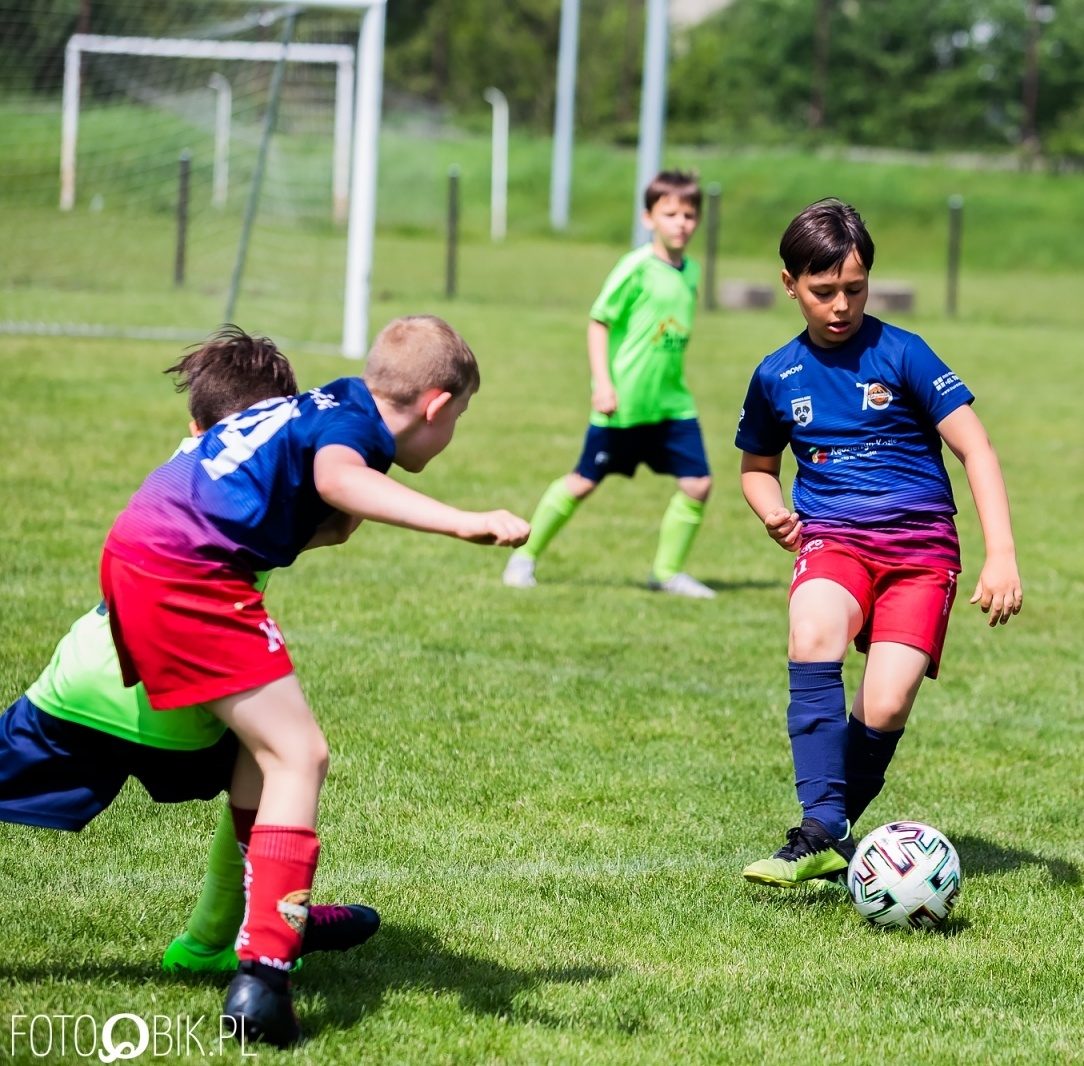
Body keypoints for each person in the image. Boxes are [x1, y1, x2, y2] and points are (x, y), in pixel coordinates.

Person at [99, 316, 529, 1046]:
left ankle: (276, 915)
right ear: (435, 405)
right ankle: (263, 975)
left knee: (259, 759)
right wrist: (463, 521)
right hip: (190, 573)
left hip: (138, 548)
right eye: (458, 418)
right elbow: (337, 479)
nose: (452, 432)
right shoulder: (352, 436)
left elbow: (306, 499)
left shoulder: (332, 403)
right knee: (302, 756)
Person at [0, 329, 380, 975]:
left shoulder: (184, 464)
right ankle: (239, 930)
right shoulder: (269, 488)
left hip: (84, 683)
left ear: (194, 421)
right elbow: (340, 523)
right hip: (187, 715)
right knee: (276, 767)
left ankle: (270, 916)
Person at [734, 199, 1024, 887]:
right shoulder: (778, 375)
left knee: (886, 704)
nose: (840, 306)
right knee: (813, 634)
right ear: (789, 285)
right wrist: (772, 509)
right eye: (822, 291)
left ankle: (830, 830)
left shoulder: (904, 352)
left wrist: (1002, 552)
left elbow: (975, 448)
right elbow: (755, 469)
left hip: (922, 553)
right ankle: (818, 829)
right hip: (833, 540)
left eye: (854, 289)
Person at [503, 170, 717, 598]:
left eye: (689, 215)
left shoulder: (691, 271)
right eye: (670, 213)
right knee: (583, 481)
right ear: (648, 217)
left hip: (672, 403)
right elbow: (599, 321)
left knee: (698, 483)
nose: (681, 222)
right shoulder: (635, 267)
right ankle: (522, 558)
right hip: (624, 403)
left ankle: (667, 573)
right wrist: (603, 383)